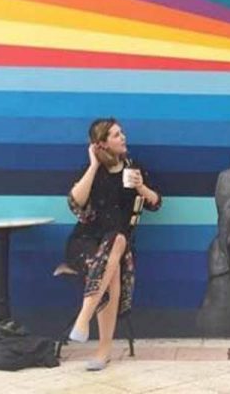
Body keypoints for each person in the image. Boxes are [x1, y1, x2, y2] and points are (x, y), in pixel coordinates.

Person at [65, 117, 161, 370]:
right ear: (102, 144)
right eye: (117, 135)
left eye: (122, 133)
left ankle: (83, 319)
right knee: (111, 263)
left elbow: (156, 203)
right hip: (85, 243)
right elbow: (75, 204)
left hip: (117, 243)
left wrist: (141, 187)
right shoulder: (91, 170)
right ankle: (103, 349)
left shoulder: (134, 168)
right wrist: (94, 164)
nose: (123, 137)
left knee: (117, 240)